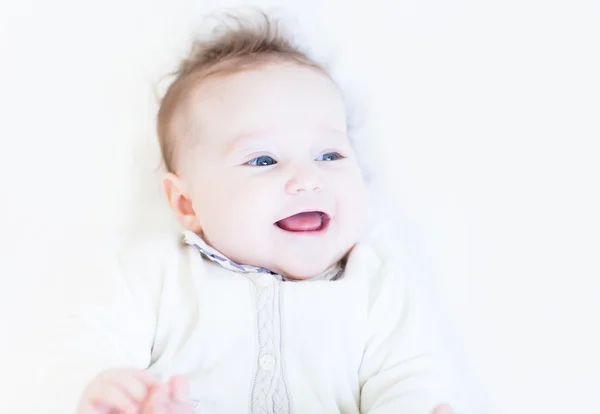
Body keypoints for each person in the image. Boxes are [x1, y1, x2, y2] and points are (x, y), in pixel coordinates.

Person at [75, 10, 455, 414]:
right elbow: (96, 344)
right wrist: (113, 390)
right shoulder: (156, 276)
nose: (307, 179)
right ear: (187, 203)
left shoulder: (373, 284)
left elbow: (406, 377)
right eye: (263, 160)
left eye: (330, 154)